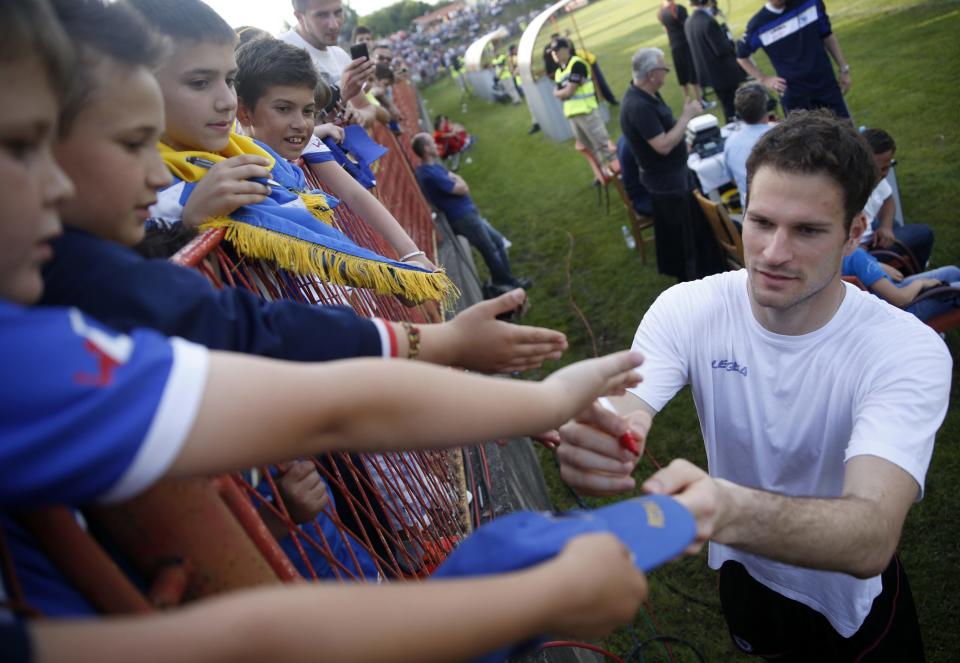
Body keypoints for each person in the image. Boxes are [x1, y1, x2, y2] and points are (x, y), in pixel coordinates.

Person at [0, 5, 653, 656]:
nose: (53, 184)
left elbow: (304, 384)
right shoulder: (34, 349)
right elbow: (310, 398)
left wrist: (525, 397)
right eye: (23, 145)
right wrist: (524, 596)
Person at [557, 110, 951, 660]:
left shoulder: (904, 349)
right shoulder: (688, 307)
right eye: (761, 222)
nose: (772, 253)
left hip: (846, 605)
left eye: (807, 230)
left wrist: (726, 509)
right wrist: (605, 436)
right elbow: (626, 404)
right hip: (744, 573)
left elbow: (871, 534)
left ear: (853, 233)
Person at [128, 0, 454, 304]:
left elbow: (355, 190)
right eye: (199, 83)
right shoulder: (131, 190)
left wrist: (408, 255)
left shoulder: (251, 152)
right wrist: (190, 224)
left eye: (229, 80)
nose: (225, 100)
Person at [619, 47, 720, 281]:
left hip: (671, 176)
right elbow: (662, 146)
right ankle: (698, 281)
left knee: (693, 238)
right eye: (664, 68)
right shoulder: (639, 106)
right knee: (688, 245)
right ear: (653, 74)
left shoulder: (647, 94)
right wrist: (687, 117)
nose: (667, 72)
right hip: (668, 186)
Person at [412, 132, 532, 293]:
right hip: (463, 218)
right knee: (489, 249)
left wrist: (458, 180)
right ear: (426, 148)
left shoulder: (434, 167)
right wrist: (459, 181)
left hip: (469, 213)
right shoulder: (428, 173)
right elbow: (461, 188)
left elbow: (455, 180)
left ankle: (502, 280)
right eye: (432, 143)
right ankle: (509, 283)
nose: (436, 144)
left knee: (497, 243)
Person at [736, 0, 852, 118]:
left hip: (826, 85)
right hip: (795, 97)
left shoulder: (811, 3)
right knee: (804, 136)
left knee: (844, 132)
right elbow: (741, 56)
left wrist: (844, 69)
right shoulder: (758, 24)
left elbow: (827, 34)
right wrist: (764, 79)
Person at [278, 0, 377, 127]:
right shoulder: (280, 52)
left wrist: (358, 117)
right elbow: (286, 127)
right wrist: (342, 93)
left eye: (338, 12)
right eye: (322, 15)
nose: (334, 25)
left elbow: (367, 108)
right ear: (299, 17)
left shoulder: (339, 54)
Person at [859, 128, 934, 270]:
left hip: (868, 239)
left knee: (893, 223)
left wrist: (885, 227)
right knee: (925, 233)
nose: (885, 174)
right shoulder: (849, 192)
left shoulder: (873, 177)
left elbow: (888, 199)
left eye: (887, 167)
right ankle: (912, 275)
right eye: (881, 169)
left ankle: (906, 266)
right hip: (864, 253)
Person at [550, 37, 617, 177]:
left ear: (566, 49)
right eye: (552, 52)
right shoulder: (559, 72)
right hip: (573, 115)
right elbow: (557, 93)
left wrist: (560, 92)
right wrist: (561, 92)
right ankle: (605, 172)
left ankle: (619, 170)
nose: (554, 54)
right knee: (590, 147)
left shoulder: (577, 64)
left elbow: (568, 91)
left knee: (602, 143)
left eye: (557, 50)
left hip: (587, 112)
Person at [841, 247, 960, 323]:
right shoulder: (854, 256)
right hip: (898, 312)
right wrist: (921, 283)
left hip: (886, 292)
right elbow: (900, 299)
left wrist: (878, 265)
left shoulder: (838, 254)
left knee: (952, 272)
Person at [684, 0, 745, 124]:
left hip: (710, 74)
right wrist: (731, 41)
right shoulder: (708, 21)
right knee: (733, 109)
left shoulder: (689, 22)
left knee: (727, 107)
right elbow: (721, 49)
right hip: (724, 73)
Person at [723, 84, 773, 209]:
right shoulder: (781, 135)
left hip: (751, 211)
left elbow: (733, 179)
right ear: (767, 107)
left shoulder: (730, 142)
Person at [657, 0, 704, 106]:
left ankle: (687, 102)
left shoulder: (661, 12)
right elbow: (687, 26)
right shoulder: (678, 9)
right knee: (692, 74)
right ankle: (699, 101)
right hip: (685, 44)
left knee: (682, 75)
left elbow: (666, 30)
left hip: (674, 46)